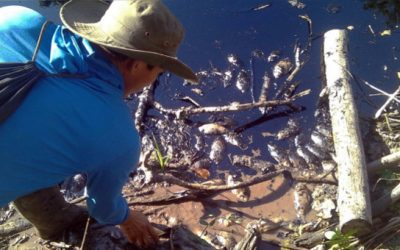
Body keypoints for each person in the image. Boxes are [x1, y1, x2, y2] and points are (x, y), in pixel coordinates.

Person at [0, 0, 197, 248]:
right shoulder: (119, 139)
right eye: (158, 72)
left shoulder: (14, 16)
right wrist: (126, 217)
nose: (152, 80)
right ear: (136, 65)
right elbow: (102, 207)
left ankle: (54, 222)